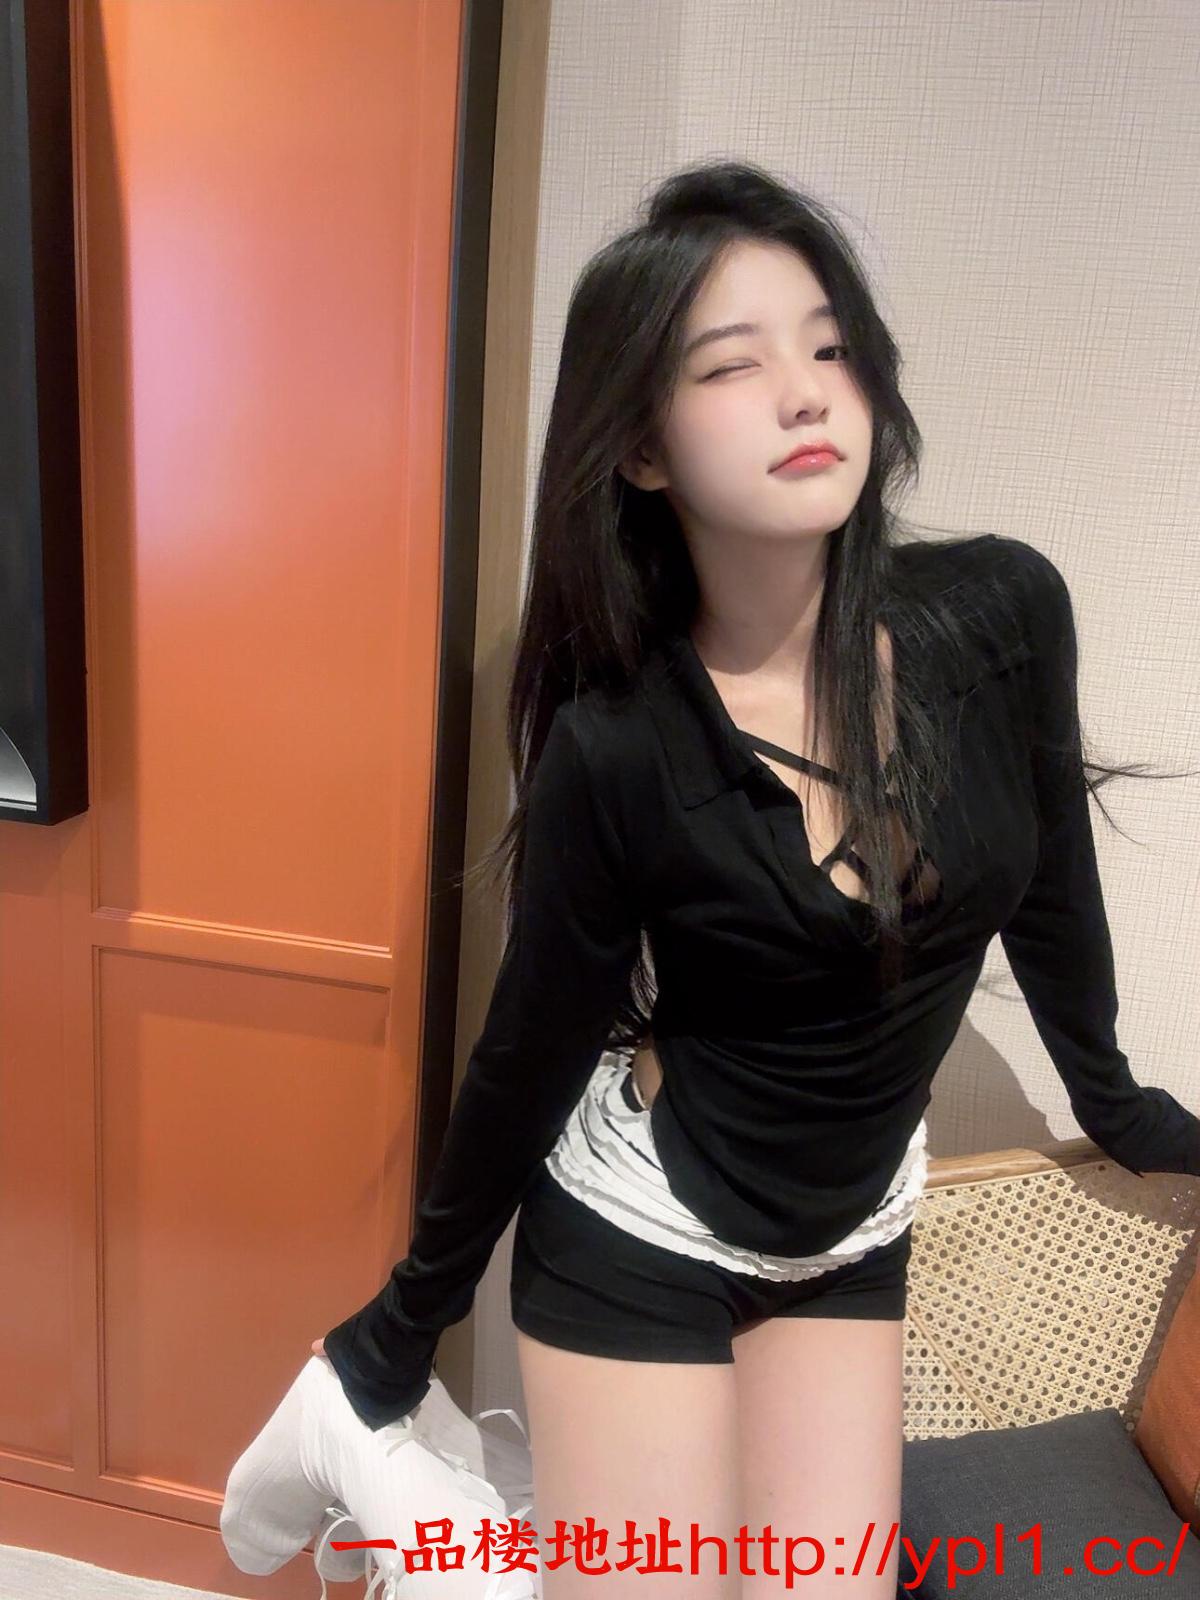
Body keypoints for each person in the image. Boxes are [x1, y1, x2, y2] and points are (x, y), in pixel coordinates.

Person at [316, 160, 1200, 1598]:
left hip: (851, 1235)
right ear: (641, 448)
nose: (805, 395)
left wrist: (1118, 1103)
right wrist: (398, 1334)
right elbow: (530, 1051)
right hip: (643, 1233)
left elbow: (1051, 893)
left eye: (831, 348)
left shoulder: (1001, 616)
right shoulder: (621, 744)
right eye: (733, 365)